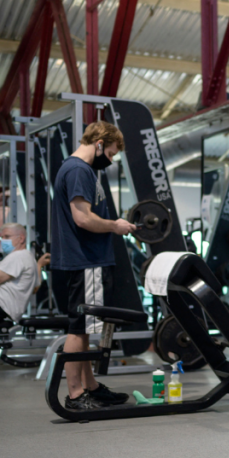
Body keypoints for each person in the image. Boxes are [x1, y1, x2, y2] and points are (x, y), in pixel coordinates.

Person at [49, 121, 137, 410]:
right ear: (99, 142)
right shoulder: (78, 170)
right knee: (79, 329)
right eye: (110, 153)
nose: (110, 160)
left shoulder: (79, 170)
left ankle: (91, 387)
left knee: (84, 328)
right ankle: (76, 395)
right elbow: (83, 219)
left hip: (85, 259)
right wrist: (116, 225)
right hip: (86, 259)